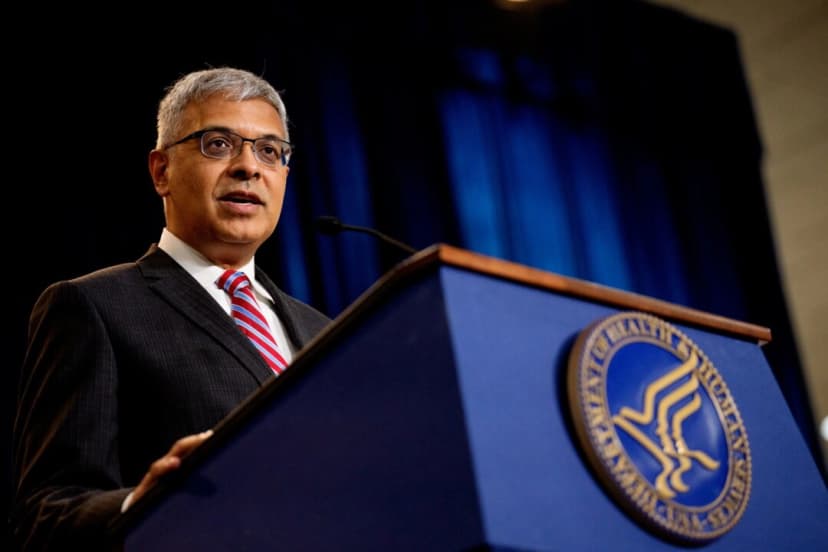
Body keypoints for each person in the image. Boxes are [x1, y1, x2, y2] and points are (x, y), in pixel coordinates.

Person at [10, 67, 331, 551]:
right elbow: (46, 514)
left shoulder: (325, 331)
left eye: (269, 151)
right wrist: (142, 505)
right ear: (162, 171)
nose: (249, 167)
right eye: (218, 144)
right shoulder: (93, 307)